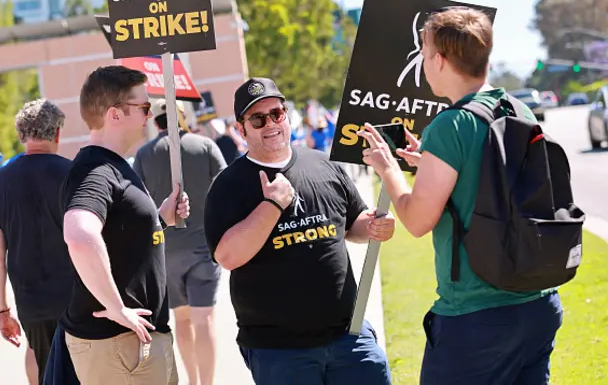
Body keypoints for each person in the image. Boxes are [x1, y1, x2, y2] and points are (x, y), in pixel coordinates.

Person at [359, 7, 563, 385]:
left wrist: (387, 168)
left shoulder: (450, 124)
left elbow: (418, 221)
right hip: (538, 302)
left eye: (423, 50)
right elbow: (487, 177)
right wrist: (430, 162)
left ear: (440, 59)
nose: (421, 60)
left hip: (476, 316)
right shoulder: (518, 109)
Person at [204, 77, 396, 385]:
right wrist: (272, 206)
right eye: (258, 118)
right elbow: (227, 256)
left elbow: (353, 223)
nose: (270, 124)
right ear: (241, 129)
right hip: (280, 352)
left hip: (350, 337)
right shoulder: (228, 186)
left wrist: (374, 225)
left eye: (276, 114)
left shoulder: (323, 165)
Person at [59, 65, 190, 385]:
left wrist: (160, 219)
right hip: (120, 346)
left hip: (132, 344)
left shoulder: (112, 166)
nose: (148, 115)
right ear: (115, 115)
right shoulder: (97, 170)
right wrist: (116, 307)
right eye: (143, 107)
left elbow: (117, 236)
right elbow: (78, 233)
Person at [133, 98, 227, 385]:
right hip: (203, 247)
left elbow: (137, 200)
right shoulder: (205, 146)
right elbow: (226, 188)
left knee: (182, 322)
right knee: (204, 320)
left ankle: (193, 381)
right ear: (183, 117)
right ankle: (208, 383)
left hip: (166, 252)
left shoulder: (145, 154)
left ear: (155, 121)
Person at [0, 99, 74, 385]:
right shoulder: (74, 174)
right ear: (57, 133)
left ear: (21, 136)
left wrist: (2, 310)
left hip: (30, 299)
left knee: (38, 353)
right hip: (77, 293)